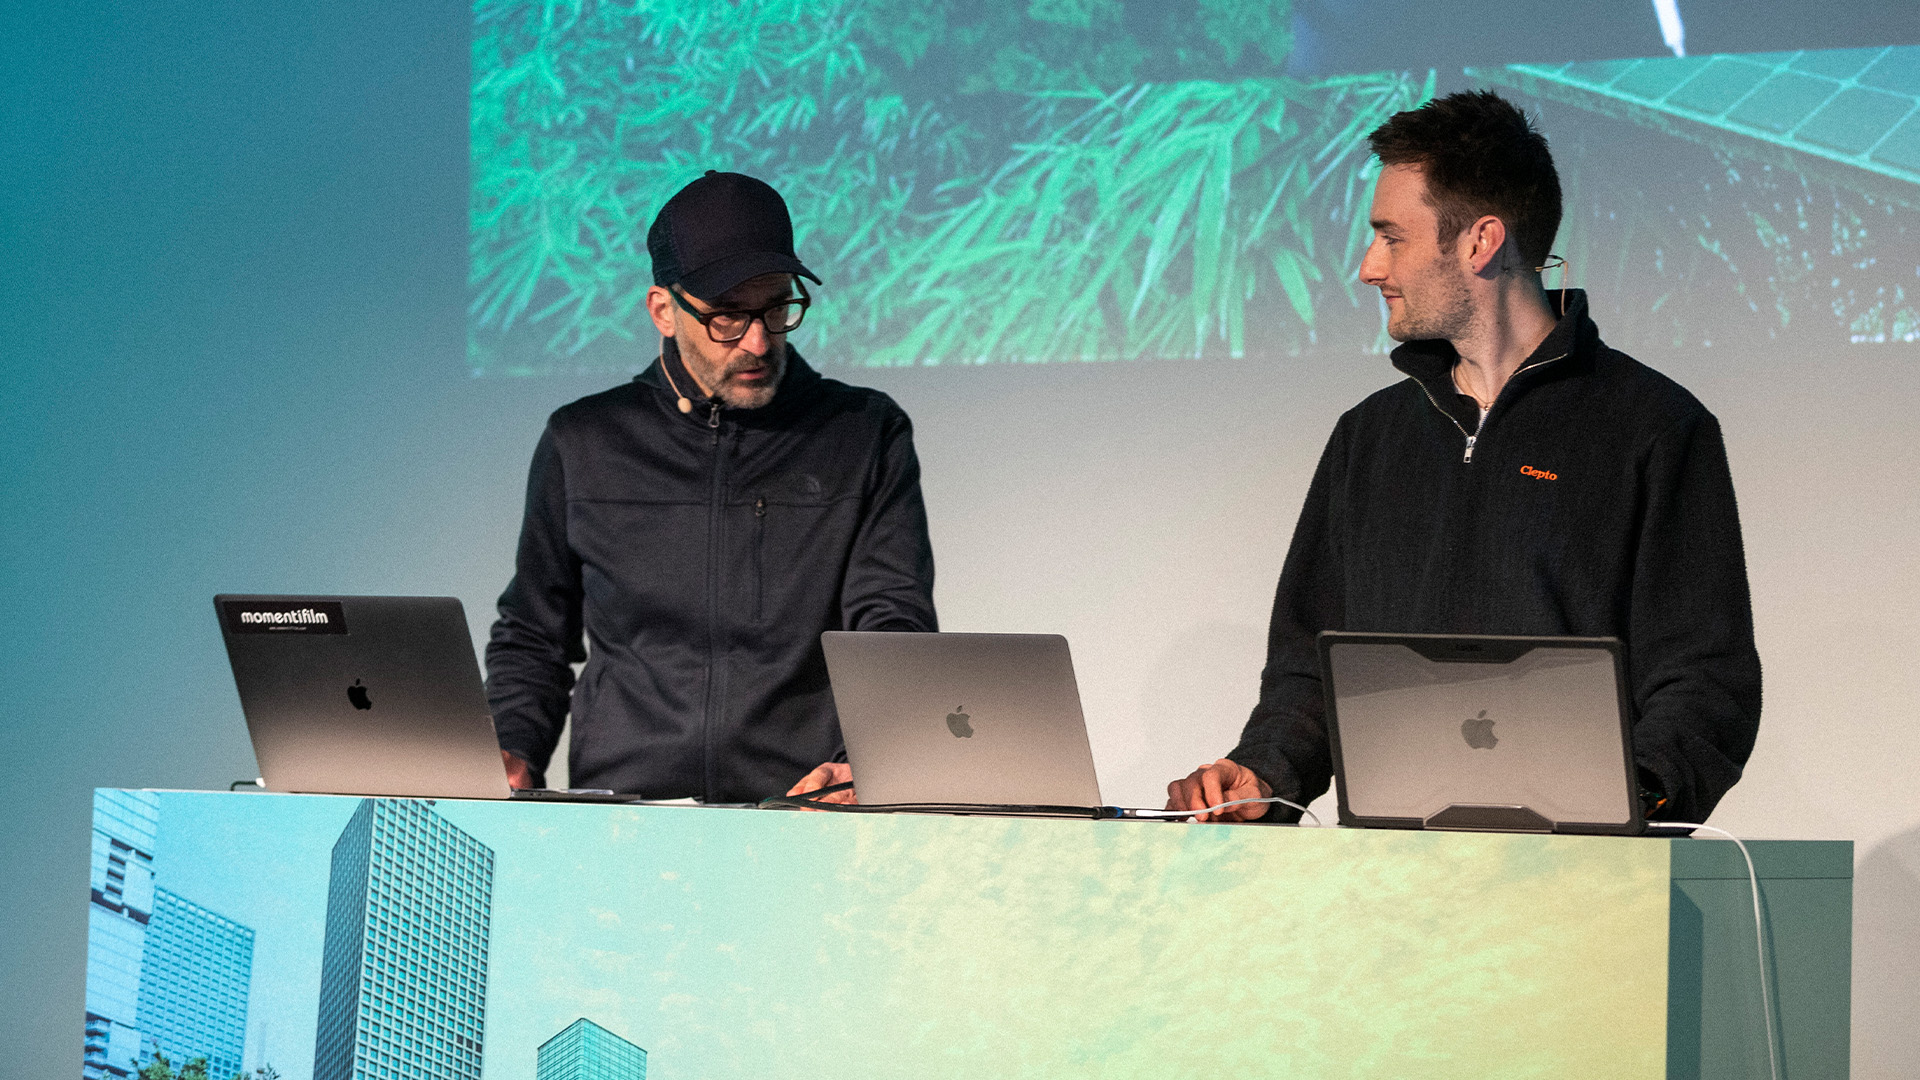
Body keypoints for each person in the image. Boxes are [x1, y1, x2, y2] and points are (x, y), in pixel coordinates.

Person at [1166, 91, 1760, 824]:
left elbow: (1704, 681)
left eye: (1392, 237)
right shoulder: (1369, 436)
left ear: (1481, 242)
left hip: (1578, 872)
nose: (1368, 267)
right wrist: (1261, 773)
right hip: (1389, 867)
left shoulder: (1655, 427)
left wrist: (1627, 801)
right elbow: (1309, 673)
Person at [486, 170, 937, 802]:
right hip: (626, 812)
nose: (759, 340)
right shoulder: (583, 440)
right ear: (663, 311)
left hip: (807, 806)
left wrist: (866, 760)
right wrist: (511, 747)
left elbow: (891, 623)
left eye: (776, 308)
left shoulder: (864, 432)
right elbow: (534, 633)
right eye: (727, 316)